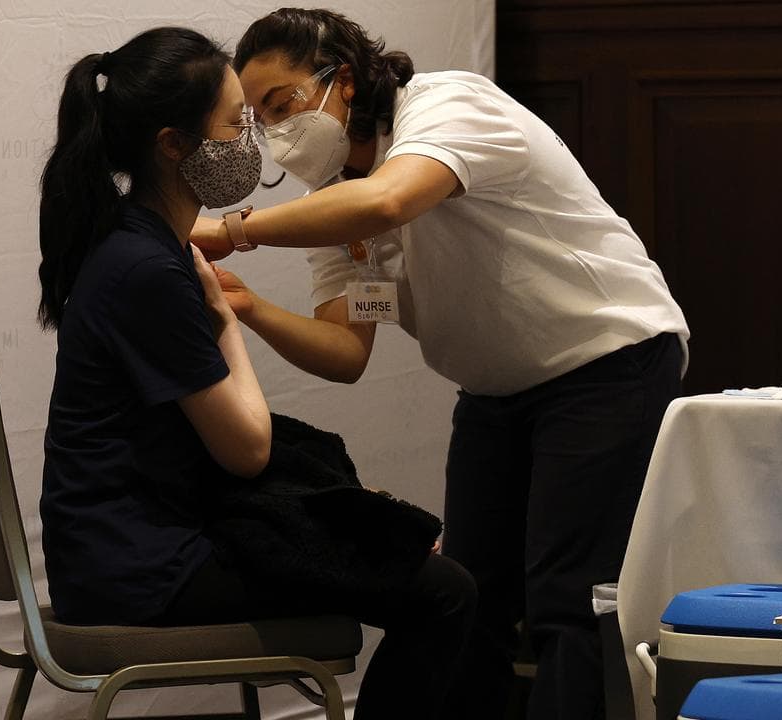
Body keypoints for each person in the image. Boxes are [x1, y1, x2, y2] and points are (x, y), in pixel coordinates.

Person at [189, 9, 690, 719]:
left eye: (284, 105)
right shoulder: (334, 204)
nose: (275, 135)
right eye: (260, 121)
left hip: (604, 361)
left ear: (346, 81)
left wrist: (228, 232)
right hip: (495, 389)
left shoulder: (449, 103)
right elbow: (345, 353)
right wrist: (251, 310)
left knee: (567, 599)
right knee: (468, 594)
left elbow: (393, 197)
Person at [35, 26, 475, 720]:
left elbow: (343, 359)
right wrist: (225, 319)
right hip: (141, 568)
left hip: (122, 547)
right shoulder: (152, 267)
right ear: (174, 145)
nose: (255, 139)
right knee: (443, 594)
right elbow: (248, 450)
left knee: (385, 538)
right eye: (239, 120)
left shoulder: (133, 242)